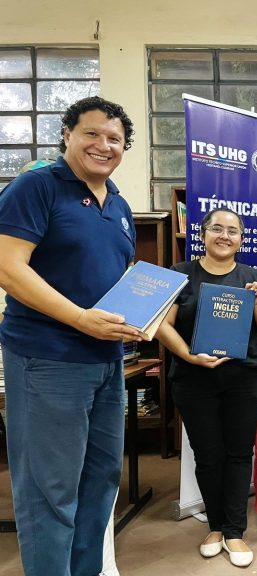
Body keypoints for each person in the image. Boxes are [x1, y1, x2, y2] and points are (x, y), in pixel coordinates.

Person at [0, 96, 141, 576]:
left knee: (101, 481)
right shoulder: (36, 187)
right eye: (92, 134)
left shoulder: (119, 205)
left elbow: (116, 279)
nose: (103, 145)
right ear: (68, 134)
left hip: (107, 361)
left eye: (115, 139)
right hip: (47, 360)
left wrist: (144, 312)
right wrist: (81, 319)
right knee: (50, 490)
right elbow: (7, 267)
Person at [156, 208, 257, 568]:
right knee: (208, 455)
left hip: (245, 377)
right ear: (203, 234)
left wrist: (256, 301)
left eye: (233, 231)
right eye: (217, 229)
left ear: (241, 239)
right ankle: (215, 525)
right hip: (194, 379)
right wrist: (188, 356)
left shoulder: (252, 277)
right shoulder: (180, 274)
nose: (225, 236)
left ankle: (235, 531)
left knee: (239, 453)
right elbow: (163, 324)